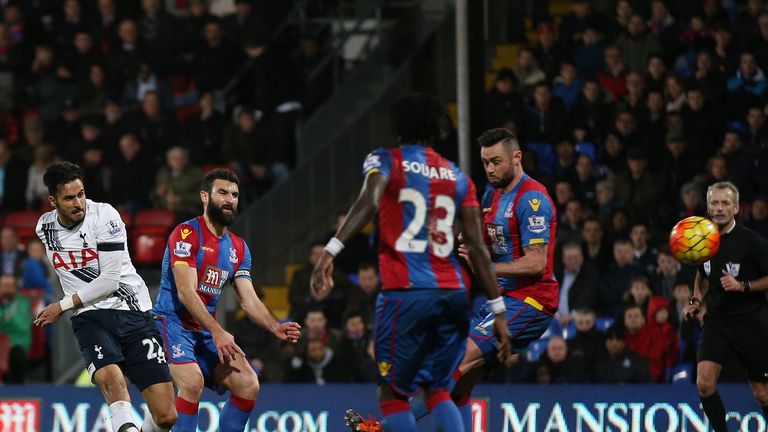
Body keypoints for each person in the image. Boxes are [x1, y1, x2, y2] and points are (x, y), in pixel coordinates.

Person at [311, 94, 510, 432]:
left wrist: (330, 250)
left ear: (398, 128)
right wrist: (499, 309)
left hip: (406, 293)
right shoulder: (458, 176)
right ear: (437, 130)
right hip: (452, 294)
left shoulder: (385, 160)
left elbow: (369, 201)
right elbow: (477, 246)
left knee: (393, 393)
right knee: (438, 389)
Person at [152, 168, 301, 431]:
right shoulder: (186, 234)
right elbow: (186, 292)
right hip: (172, 324)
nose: (229, 199)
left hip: (206, 331)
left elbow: (249, 300)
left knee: (248, 383)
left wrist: (274, 326)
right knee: (192, 383)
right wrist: (218, 331)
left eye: (234, 194)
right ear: (205, 197)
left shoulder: (239, 248)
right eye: (222, 192)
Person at [32, 162, 177, 432]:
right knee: (112, 380)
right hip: (90, 317)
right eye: (69, 198)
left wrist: (61, 306)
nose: (79, 203)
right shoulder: (45, 228)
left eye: (81, 194)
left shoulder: (105, 216)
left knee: (167, 416)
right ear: (52, 201)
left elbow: (109, 281)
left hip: (132, 311)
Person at [447, 127, 558, 430]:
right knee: (459, 387)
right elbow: (484, 257)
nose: (490, 169)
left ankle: (382, 426)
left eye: (496, 161)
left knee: (455, 363)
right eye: (485, 163)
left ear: (517, 157)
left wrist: (486, 266)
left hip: (532, 300)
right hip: (501, 300)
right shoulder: (490, 196)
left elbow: (536, 263)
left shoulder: (533, 199)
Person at [683, 181, 768, 431]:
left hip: (751, 321)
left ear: (736, 208)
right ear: (708, 207)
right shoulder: (701, 239)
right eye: (715, 203)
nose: (719, 208)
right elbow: (702, 273)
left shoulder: (752, 241)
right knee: (704, 384)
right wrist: (696, 300)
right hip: (717, 321)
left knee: (762, 394)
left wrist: (743, 286)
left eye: (725, 203)